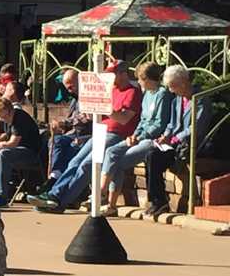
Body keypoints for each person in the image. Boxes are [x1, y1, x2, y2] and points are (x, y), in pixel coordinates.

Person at [29, 60, 142, 213]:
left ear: (122, 74)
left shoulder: (132, 92)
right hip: (101, 131)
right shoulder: (111, 90)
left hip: (117, 135)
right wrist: (92, 108)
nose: (109, 77)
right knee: (75, 162)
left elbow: (124, 118)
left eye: (112, 74)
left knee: (86, 165)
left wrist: (103, 108)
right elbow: (93, 116)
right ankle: (53, 194)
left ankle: (60, 201)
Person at [100, 62, 173, 214]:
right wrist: (134, 135)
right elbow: (142, 120)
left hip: (152, 140)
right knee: (111, 152)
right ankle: (107, 199)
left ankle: (103, 195)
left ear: (148, 79)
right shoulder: (147, 95)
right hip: (139, 136)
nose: (138, 83)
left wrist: (140, 137)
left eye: (140, 79)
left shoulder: (162, 94)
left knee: (116, 162)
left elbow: (159, 124)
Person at [144, 66, 213, 216]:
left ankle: (159, 202)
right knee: (151, 155)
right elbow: (171, 124)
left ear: (183, 83)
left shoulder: (200, 99)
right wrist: (166, 136)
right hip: (175, 144)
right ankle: (157, 201)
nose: (171, 90)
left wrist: (175, 139)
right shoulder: (178, 99)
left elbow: (196, 128)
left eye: (172, 86)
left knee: (155, 158)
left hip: (192, 145)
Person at [46, 68, 93, 186]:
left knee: (71, 147)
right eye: (67, 88)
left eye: (71, 87)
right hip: (72, 134)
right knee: (54, 140)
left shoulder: (89, 97)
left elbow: (86, 117)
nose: (69, 91)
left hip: (86, 134)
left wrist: (64, 123)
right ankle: (55, 175)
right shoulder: (74, 100)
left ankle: (59, 182)